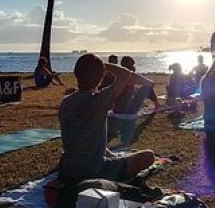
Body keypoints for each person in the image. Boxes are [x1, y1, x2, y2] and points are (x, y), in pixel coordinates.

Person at [58, 53, 155, 182]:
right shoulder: (99, 100)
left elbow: (87, 140)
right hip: (95, 171)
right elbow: (125, 75)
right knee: (148, 156)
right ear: (101, 77)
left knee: (113, 153)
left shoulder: (65, 102)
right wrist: (103, 65)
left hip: (67, 169)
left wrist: (93, 66)